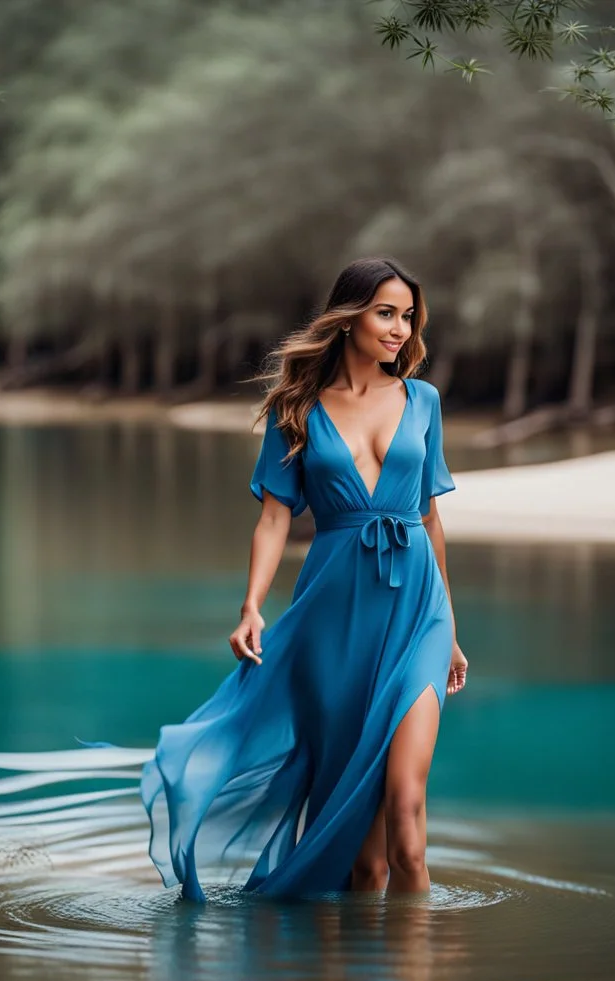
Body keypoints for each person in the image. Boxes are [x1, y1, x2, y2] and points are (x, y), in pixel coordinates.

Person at [139, 257, 467, 902]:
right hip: (332, 621)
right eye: (385, 313)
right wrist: (252, 605)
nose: (400, 329)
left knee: (406, 820)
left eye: (407, 317)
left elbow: (430, 519)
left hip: (418, 618)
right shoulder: (298, 408)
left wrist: (450, 630)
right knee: (361, 857)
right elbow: (273, 519)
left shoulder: (422, 401)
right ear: (347, 319)